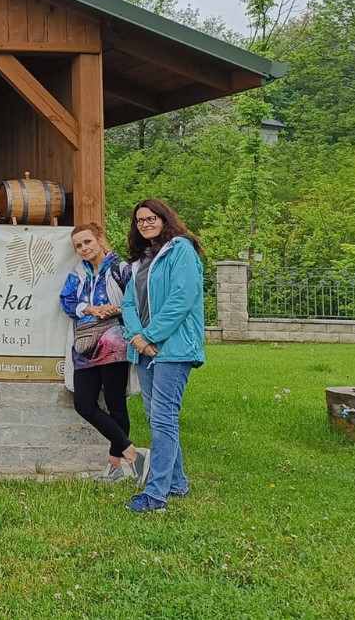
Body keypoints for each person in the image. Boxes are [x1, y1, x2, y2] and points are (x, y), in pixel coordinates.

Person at [122, 198, 206, 514]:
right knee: (156, 417)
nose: (145, 223)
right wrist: (138, 337)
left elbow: (181, 299)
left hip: (173, 347)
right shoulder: (141, 259)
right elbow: (129, 303)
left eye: (151, 218)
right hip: (145, 348)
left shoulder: (181, 249)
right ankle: (177, 483)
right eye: (140, 220)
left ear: (164, 218)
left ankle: (156, 494)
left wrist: (150, 335)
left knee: (163, 417)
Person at [59, 223, 144, 484]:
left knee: (115, 402)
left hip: (113, 342)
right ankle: (132, 453)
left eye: (88, 242)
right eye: (78, 245)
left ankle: (114, 464)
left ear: (99, 239)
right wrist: (90, 309)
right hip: (85, 343)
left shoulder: (121, 269)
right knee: (84, 403)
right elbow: (66, 300)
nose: (84, 248)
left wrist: (115, 309)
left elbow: (137, 301)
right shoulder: (77, 273)